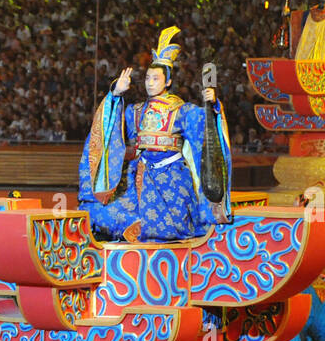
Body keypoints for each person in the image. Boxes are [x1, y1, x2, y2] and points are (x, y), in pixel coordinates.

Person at [79, 26, 231, 243]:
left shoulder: (181, 110)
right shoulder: (136, 111)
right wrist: (115, 94)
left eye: (155, 79)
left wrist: (212, 104)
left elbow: (205, 128)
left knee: (172, 228)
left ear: (168, 82)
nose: (150, 83)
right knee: (103, 212)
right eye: (148, 78)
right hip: (140, 176)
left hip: (172, 177)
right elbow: (111, 129)